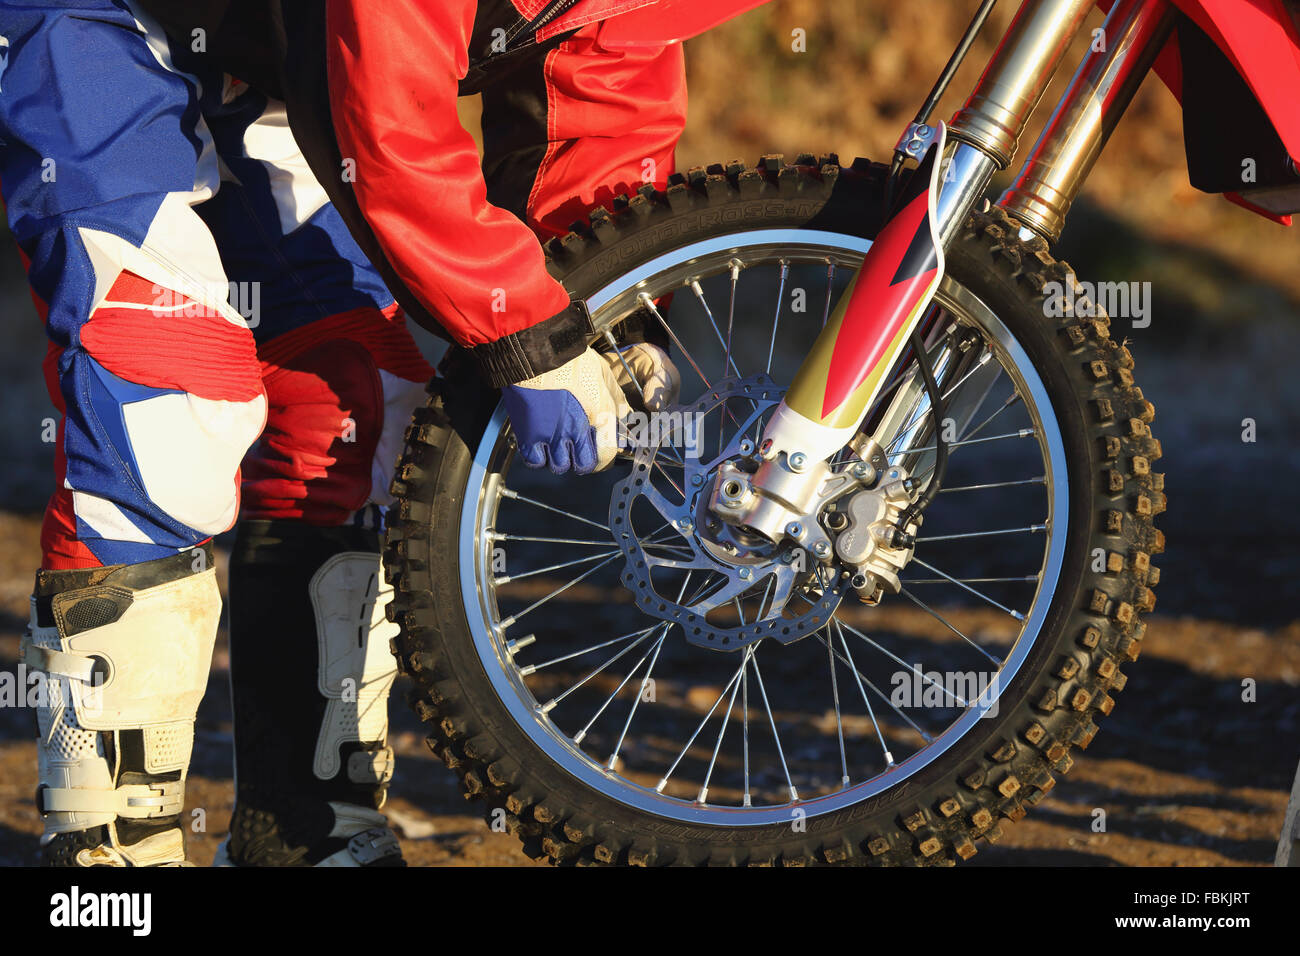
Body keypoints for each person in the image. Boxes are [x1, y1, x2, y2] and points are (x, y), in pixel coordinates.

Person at [0, 0, 683, 866]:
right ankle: (108, 866)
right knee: (169, 391)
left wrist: (612, 307)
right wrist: (524, 332)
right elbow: (392, 128)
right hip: (90, 17)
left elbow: (603, 80)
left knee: (362, 396)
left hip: (271, 45)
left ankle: (306, 831)